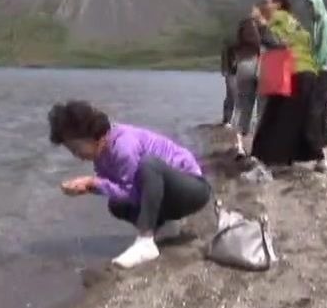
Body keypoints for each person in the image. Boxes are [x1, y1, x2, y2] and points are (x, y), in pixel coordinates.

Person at [48, 100, 212, 269]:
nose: (77, 155)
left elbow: (132, 192)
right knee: (115, 204)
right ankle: (166, 228)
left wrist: (92, 184)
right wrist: (88, 187)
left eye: (76, 149)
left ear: (93, 136)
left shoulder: (123, 146)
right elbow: (119, 188)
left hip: (194, 189)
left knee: (148, 165)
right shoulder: (101, 154)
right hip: (170, 195)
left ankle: (145, 241)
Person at [247, 0, 326, 174]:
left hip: (293, 72)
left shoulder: (277, 18)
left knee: (274, 118)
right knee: (302, 118)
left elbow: (276, 42)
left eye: (266, 2)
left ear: (277, 4)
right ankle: (318, 159)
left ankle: (263, 162)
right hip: (308, 72)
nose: (263, 5)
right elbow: (305, 42)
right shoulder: (294, 21)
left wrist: (260, 23)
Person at [306, 0, 327, 171]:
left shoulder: (326, 24)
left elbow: (324, 48)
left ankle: (319, 154)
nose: (309, 10)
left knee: (315, 110)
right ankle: (319, 151)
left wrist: (312, 67)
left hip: (323, 70)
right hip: (319, 69)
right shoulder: (316, 24)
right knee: (320, 111)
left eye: (311, 6)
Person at [232, 5, 263, 158]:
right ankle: (259, 146)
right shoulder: (258, 27)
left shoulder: (241, 29)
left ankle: (239, 145)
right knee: (260, 105)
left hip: (243, 65)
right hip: (257, 65)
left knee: (242, 105)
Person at [220, 40, 238, 128]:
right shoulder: (231, 39)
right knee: (231, 95)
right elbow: (225, 54)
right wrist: (224, 69)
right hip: (231, 71)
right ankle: (227, 119)